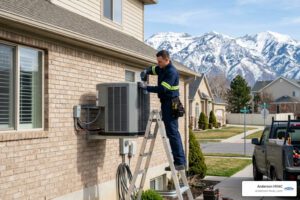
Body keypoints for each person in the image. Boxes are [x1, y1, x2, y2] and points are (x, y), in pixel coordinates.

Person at [139, 50, 186, 170]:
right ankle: (178, 161)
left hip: (171, 104)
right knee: (172, 133)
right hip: (166, 103)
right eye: (157, 61)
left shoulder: (171, 72)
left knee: (172, 133)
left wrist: (146, 88)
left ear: (167, 59)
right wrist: (146, 71)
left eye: (160, 61)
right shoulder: (162, 68)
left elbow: (162, 89)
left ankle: (179, 162)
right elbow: (154, 69)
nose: (158, 63)